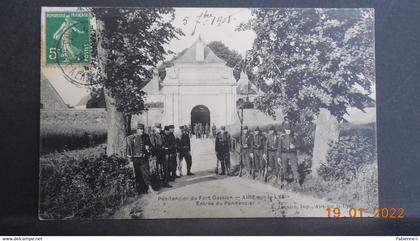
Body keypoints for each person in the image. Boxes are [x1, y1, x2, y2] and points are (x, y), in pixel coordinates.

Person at [127, 123, 156, 194]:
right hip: (136, 159)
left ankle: (150, 188)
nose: (141, 131)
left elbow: (151, 146)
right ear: (137, 129)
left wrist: (149, 149)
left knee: (146, 173)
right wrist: (130, 161)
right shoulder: (132, 137)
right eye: (140, 129)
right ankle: (140, 190)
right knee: (138, 174)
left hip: (144, 158)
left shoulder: (146, 136)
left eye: (142, 129)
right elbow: (129, 149)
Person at [150, 123, 172, 188]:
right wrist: (160, 148)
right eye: (157, 128)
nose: (159, 129)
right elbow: (153, 146)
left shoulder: (162, 135)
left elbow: (165, 143)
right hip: (156, 155)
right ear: (154, 128)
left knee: (164, 169)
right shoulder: (153, 136)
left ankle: (165, 182)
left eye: (159, 128)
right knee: (157, 169)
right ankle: (157, 183)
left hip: (163, 154)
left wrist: (165, 148)